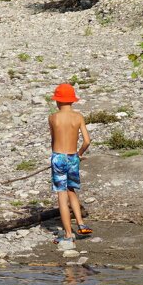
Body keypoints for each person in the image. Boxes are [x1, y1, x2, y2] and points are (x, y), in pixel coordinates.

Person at [48, 83, 91, 247]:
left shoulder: (53, 118)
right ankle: (81, 224)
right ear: (72, 101)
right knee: (71, 190)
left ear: (57, 101)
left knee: (62, 194)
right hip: (73, 157)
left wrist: (56, 157)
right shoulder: (78, 116)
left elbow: (53, 141)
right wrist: (79, 154)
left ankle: (67, 234)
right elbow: (87, 141)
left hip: (58, 157)